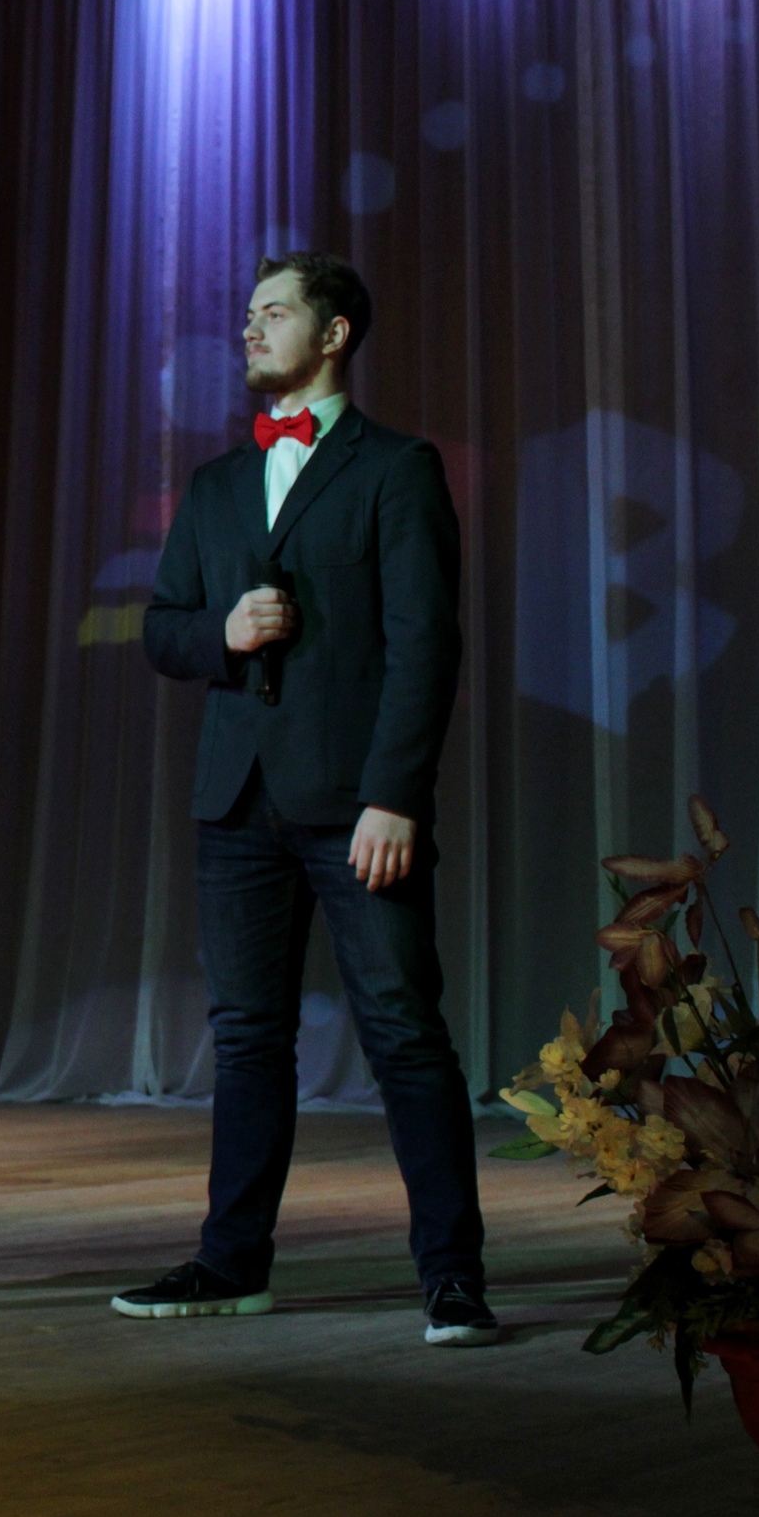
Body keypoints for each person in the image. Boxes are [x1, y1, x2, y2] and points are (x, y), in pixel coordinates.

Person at [131, 252, 493, 1347]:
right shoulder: (214, 484)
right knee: (247, 1038)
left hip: (354, 804)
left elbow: (425, 646)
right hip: (236, 801)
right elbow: (162, 629)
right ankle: (231, 1262)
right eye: (247, 314)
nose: (250, 329)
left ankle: (452, 1276)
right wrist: (222, 632)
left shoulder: (396, 468)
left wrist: (396, 796)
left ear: (333, 334)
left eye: (274, 313)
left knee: (404, 1034)